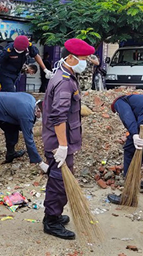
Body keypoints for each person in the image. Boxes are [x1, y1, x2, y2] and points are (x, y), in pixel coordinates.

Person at [41, 38, 95, 240]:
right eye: (83, 58)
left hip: (61, 140)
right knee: (59, 181)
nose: (86, 62)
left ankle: (53, 214)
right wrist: (63, 146)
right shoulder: (64, 82)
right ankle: (51, 221)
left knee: (59, 179)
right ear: (71, 58)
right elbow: (58, 117)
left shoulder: (66, 76)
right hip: (58, 143)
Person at [0, 93, 44, 186]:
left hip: (2, 108)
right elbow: (28, 139)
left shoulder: (31, 101)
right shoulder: (27, 113)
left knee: (12, 128)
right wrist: (40, 162)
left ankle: (10, 154)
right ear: (38, 111)